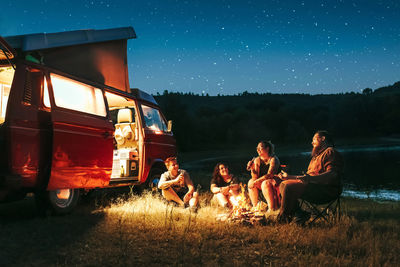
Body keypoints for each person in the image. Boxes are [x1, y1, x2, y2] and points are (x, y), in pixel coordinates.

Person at [277, 130, 344, 224]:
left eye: (314, 139)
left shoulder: (330, 152)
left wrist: (310, 179)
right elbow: (308, 177)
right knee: (283, 184)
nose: (312, 142)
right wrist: (289, 177)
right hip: (313, 186)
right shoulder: (316, 156)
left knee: (288, 187)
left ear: (323, 139)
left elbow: (332, 174)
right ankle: (299, 214)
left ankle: (283, 219)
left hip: (326, 190)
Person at [247, 141, 281, 212]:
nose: (258, 150)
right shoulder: (257, 160)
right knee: (251, 182)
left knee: (264, 183)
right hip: (263, 182)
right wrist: (252, 169)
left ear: (267, 148)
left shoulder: (273, 159)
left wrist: (256, 181)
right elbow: (254, 177)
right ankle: (256, 207)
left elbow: (270, 175)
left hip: (274, 182)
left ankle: (271, 208)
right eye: (257, 148)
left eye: (260, 148)